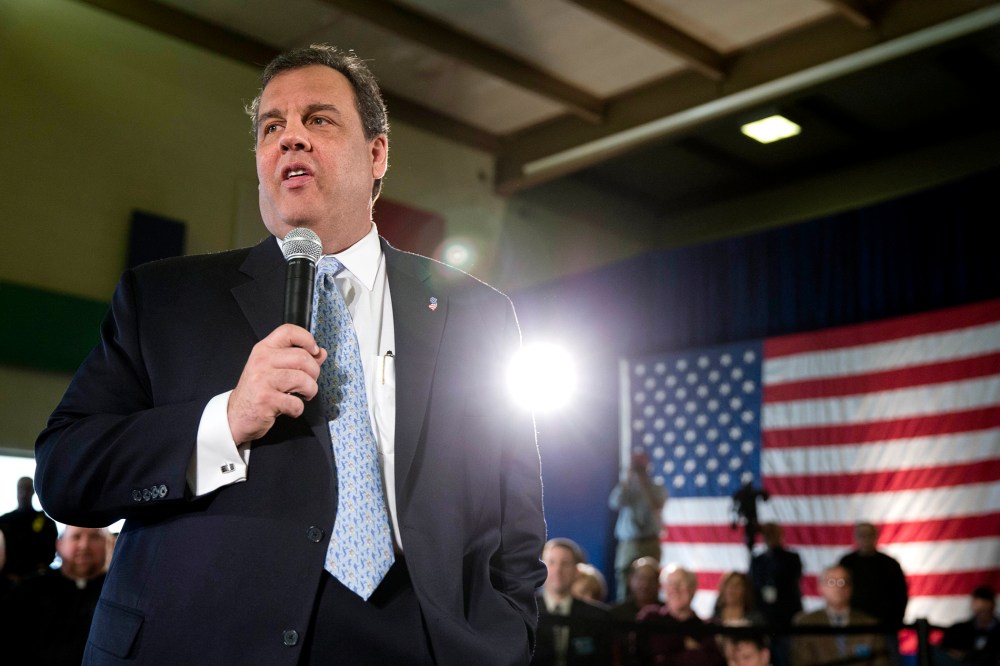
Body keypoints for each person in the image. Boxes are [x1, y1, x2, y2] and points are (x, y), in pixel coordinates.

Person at [33, 44, 546, 665]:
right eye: (272, 127)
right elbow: (65, 472)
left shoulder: (478, 316)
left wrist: (508, 638)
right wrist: (224, 419)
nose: (290, 139)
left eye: (319, 120)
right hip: (204, 645)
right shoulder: (165, 299)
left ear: (377, 153)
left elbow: (515, 522)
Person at [0, 525, 111, 665]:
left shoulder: (119, 592)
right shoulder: (29, 590)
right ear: (59, 544)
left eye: (95, 537)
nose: (84, 545)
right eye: (76, 537)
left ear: (109, 544)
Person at [532, 538, 612, 666]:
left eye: (565, 563)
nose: (558, 570)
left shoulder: (598, 617)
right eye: (551, 562)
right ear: (541, 568)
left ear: (576, 571)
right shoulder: (524, 611)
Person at [790, 565, 888, 666]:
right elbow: (801, 661)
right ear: (820, 587)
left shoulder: (870, 624)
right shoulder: (805, 623)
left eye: (843, 582)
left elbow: (881, 662)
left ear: (851, 588)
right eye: (831, 582)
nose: (838, 587)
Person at [839, 522, 908, 662]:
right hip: (853, 626)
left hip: (885, 627)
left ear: (876, 537)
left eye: (869, 535)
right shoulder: (846, 563)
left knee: (888, 661)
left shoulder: (890, 564)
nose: (865, 538)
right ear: (855, 538)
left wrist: (895, 622)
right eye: (861, 535)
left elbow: (901, 595)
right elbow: (839, 593)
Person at [635, 563, 725, 665]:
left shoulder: (709, 629)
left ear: (693, 589)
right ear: (663, 589)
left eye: (681, 584)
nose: (675, 589)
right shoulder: (650, 618)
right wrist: (690, 650)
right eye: (670, 584)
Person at [609, 451, 667, 601]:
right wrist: (627, 481)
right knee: (624, 580)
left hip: (650, 542)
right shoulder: (627, 488)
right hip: (629, 543)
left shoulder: (656, 487)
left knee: (650, 581)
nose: (639, 469)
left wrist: (643, 483)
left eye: (641, 466)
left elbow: (658, 504)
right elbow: (614, 502)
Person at [749, 523, 802, 666]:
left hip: (786, 618)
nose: (770, 537)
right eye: (767, 534)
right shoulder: (758, 560)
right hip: (764, 618)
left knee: (786, 657)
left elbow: (787, 579)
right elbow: (754, 585)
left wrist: (774, 550)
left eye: (773, 533)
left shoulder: (791, 558)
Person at [0, 476, 58, 586]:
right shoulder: (3, 521)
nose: (23, 493)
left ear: (33, 491)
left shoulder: (46, 523)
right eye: (20, 488)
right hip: (6, 581)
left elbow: (51, 552)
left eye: (27, 489)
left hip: (37, 582)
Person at [936, 585, 1000, 665]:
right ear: (972, 605)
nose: (982, 614)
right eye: (979, 610)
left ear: (993, 605)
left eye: (985, 610)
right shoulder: (958, 630)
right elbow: (944, 653)